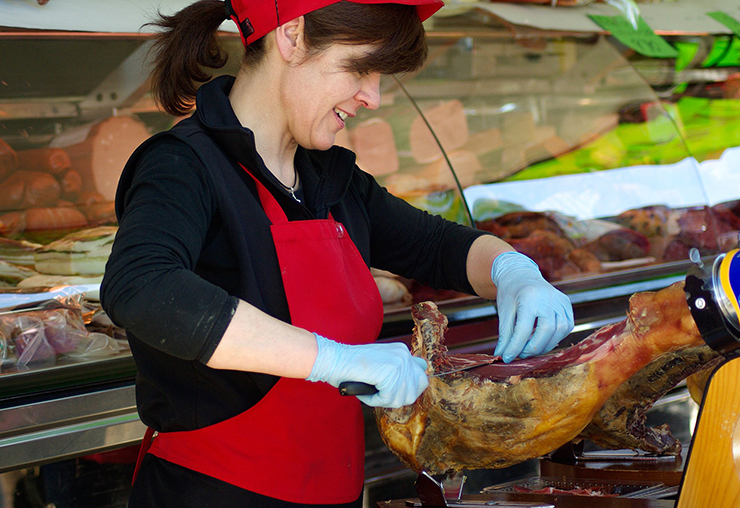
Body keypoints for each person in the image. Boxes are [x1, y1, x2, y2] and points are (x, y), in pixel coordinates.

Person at [100, 0, 574, 506]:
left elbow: (439, 246)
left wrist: (514, 271)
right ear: (292, 36)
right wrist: (331, 359)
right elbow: (141, 285)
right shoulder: (183, 165)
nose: (372, 96)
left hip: (335, 493)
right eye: (361, 67)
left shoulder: (332, 181)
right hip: (210, 494)